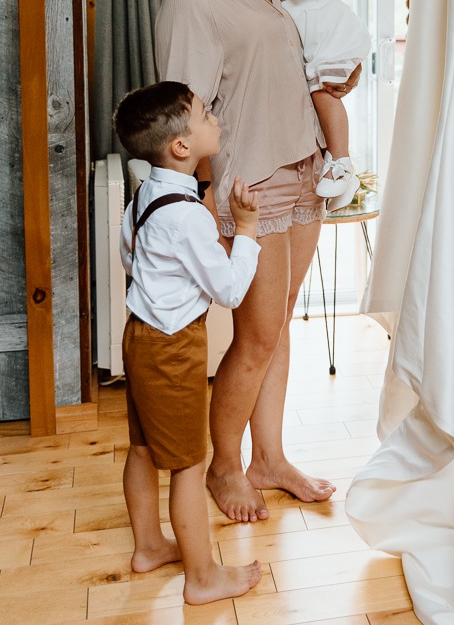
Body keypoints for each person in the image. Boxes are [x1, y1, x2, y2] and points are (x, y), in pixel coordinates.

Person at [140, 0, 353, 524]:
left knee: (275, 328)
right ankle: (226, 468)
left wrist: (332, 79)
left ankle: (270, 458)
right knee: (255, 336)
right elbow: (184, 108)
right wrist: (203, 195)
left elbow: (279, 62)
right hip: (249, 184)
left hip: (300, 164)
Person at [113, 80, 262, 603]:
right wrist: (245, 229)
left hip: (141, 336)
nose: (214, 118)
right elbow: (228, 289)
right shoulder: (189, 217)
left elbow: (131, 258)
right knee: (188, 463)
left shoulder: (145, 195)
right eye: (204, 114)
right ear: (181, 146)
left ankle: (150, 545)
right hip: (173, 348)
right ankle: (202, 578)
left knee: (142, 447)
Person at [251, 0, 424, 208]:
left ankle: (341, 163)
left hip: (333, 35)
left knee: (323, 94)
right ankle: (339, 169)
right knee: (314, 100)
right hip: (306, 44)